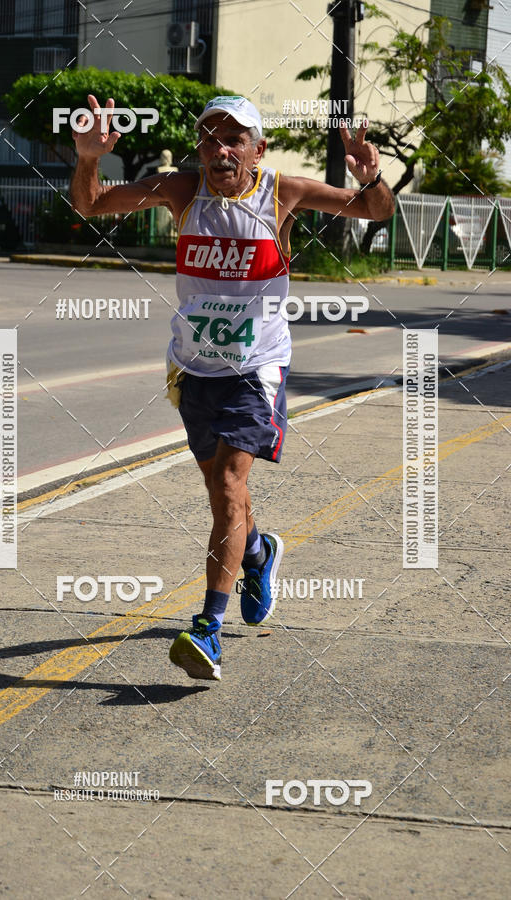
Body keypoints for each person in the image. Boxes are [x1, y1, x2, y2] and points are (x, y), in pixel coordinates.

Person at [71, 94, 394, 682]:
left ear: (257, 149)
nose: (221, 149)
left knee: (227, 482)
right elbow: (91, 204)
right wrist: (90, 158)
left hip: (256, 368)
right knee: (226, 500)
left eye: (234, 139)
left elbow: (374, 211)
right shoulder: (181, 190)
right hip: (194, 370)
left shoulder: (283, 192)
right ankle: (258, 554)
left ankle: (209, 630)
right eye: (211, 138)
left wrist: (373, 178)